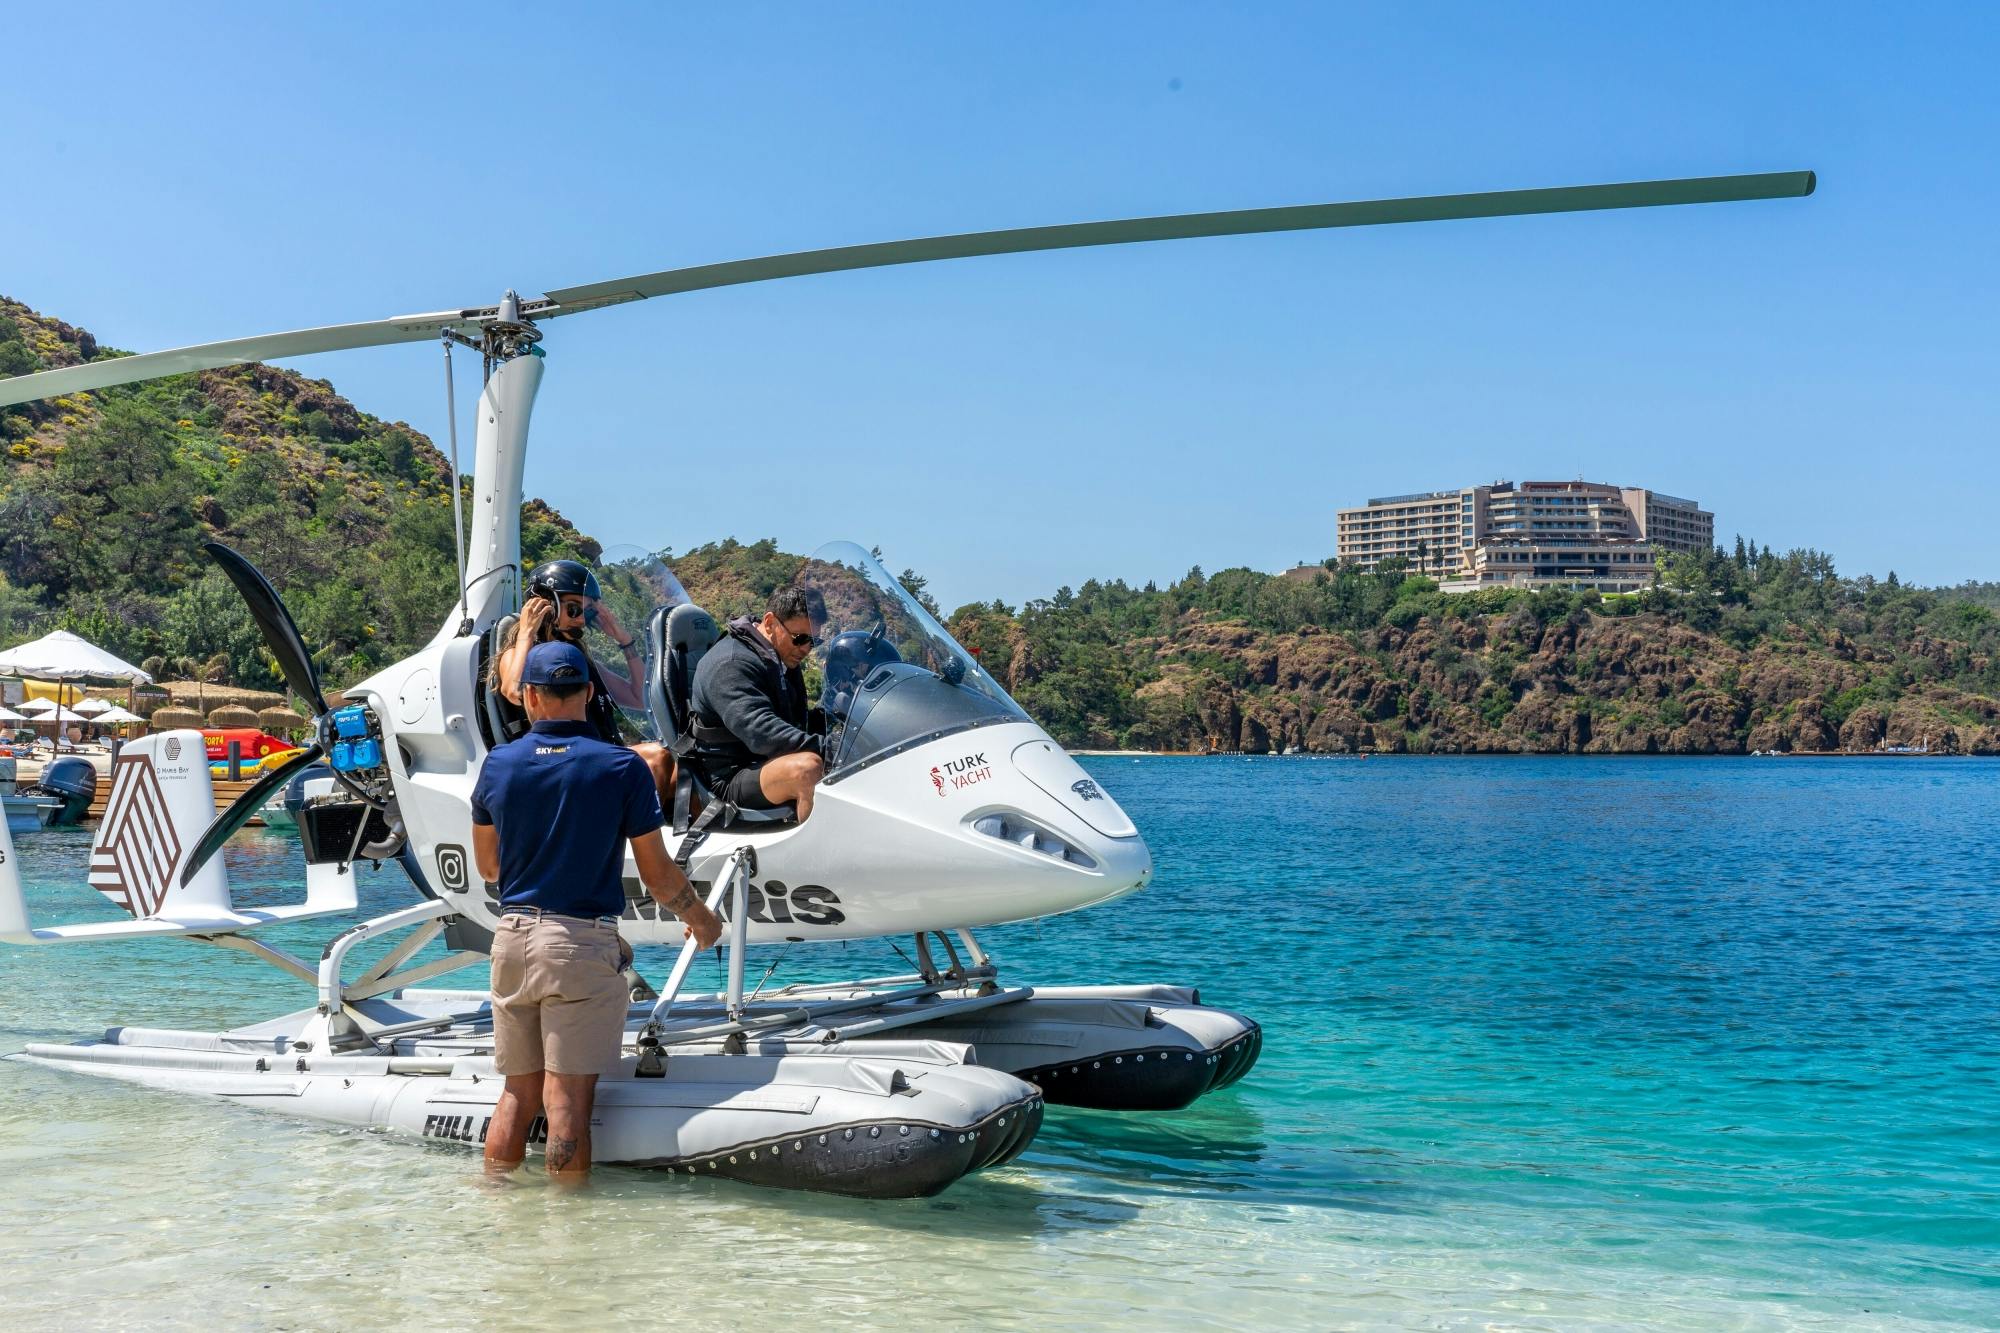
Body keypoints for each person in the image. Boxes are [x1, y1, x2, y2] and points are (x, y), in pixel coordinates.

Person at [472, 640, 724, 1179]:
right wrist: (701, 919)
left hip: (511, 938)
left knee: (518, 1094)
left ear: (531, 696)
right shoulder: (620, 767)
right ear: (588, 692)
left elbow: (489, 869)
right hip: (578, 945)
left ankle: (493, 1217)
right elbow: (657, 874)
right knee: (565, 1103)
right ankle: (569, 1240)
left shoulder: (498, 765)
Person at [496, 558, 676, 801]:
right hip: (558, 762)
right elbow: (513, 691)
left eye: (587, 611)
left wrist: (625, 641)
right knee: (657, 759)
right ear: (545, 604)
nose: (581, 620)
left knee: (677, 762)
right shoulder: (518, 655)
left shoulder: (581, 661)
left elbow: (640, 698)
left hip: (598, 754)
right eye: (573, 609)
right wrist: (526, 633)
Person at [689, 585, 828, 821]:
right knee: (807, 769)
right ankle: (821, 855)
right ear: (771, 622)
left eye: (813, 641)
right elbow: (761, 732)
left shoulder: (777, 655)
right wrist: (830, 749)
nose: (806, 649)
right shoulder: (731, 663)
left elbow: (795, 716)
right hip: (731, 776)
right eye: (800, 638)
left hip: (763, 762)